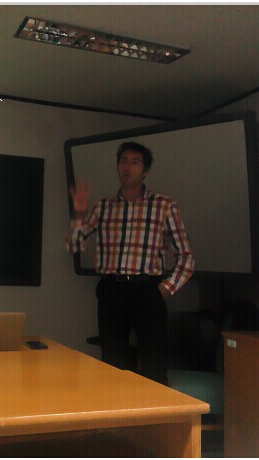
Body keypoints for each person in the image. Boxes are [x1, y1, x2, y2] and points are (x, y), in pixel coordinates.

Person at [65, 141, 194, 385]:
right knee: (112, 365)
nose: (127, 167)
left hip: (148, 290)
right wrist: (79, 214)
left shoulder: (164, 205)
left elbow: (186, 255)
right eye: (123, 161)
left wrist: (166, 290)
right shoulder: (103, 206)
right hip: (111, 290)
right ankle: (118, 410)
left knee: (154, 364)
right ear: (117, 167)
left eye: (135, 162)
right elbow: (74, 245)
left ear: (145, 171)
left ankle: (157, 410)